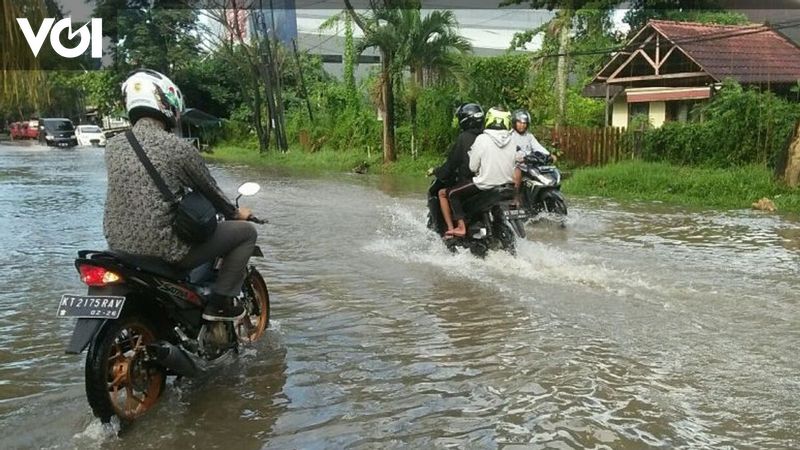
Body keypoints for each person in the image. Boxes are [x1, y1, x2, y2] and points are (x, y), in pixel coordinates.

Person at [103, 69, 255, 321]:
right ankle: (220, 304)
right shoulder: (179, 148)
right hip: (165, 250)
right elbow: (210, 190)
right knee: (247, 233)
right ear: (168, 104)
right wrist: (236, 213)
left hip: (117, 247)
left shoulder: (113, 146)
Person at [440, 107, 517, 237]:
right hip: (507, 185)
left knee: (452, 193)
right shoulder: (513, 140)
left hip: (485, 184)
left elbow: (472, 167)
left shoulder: (482, 139)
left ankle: (460, 227)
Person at [510, 109, 553, 204]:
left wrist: (549, 155)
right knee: (517, 172)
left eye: (524, 123)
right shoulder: (510, 136)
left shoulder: (529, 136)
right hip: (516, 165)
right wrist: (518, 157)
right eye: (519, 122)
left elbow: (538, 147)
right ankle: (515, 198)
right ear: (514, 123)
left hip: (530, 164)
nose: (522, 125)